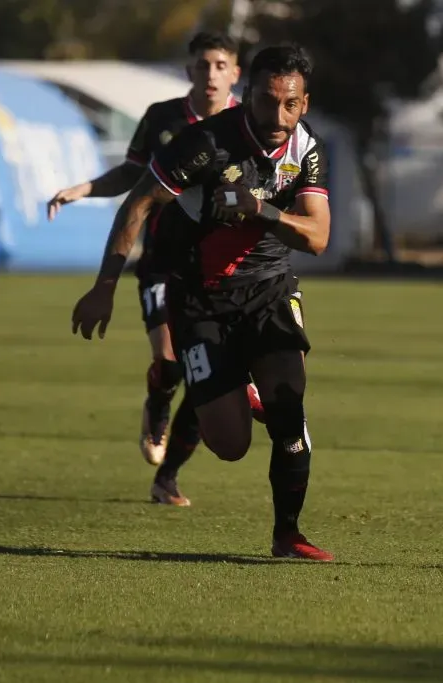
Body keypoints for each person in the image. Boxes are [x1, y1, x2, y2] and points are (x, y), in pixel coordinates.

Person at [71, 43, 333, 561]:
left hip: (270, 292)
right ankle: (230, 381)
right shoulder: (205, 143)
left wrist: (260, 210)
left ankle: (287, 535)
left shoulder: (306, 150)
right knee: (230, 445)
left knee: (289, 411)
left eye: (290, 103)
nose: (278, 115)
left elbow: (318, 237)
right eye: (266, 100)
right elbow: (140, 201)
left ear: (304, 103)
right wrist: (104, 286)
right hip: (199, 301)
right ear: (248, 95)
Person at [47, 31, 256, 507]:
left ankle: (169, 477)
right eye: (203, 65)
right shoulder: (162, 118)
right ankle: (158, 403)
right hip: (162, 263)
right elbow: (132, 175)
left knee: (208, 379)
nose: (211, 74)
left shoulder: (247, 125)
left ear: (235, 74)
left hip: (219, 268)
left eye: (221, 65)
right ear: (189, 71)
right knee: (168, 360)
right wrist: (83, 188)